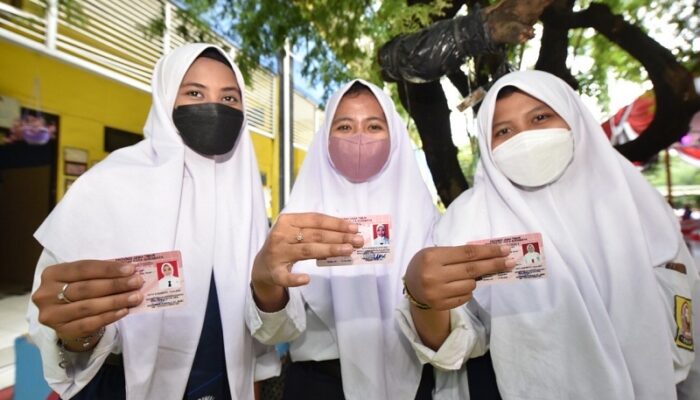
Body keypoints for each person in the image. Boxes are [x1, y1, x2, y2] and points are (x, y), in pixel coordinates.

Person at [402, 70, 699, 399]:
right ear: (487, 145)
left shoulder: (639, 206)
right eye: (503, 130)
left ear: (574, 119)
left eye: (540, 117)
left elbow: (688, 316)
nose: (524, 138)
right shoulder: (465, 224)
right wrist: (421, 298)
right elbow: (453, 344)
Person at [27, 43, 284, 399]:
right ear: (165, 99)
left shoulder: (244, 196)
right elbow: (59, 325)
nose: (213, 107)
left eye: (229, 99)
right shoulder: (106, 185)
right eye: (194, 92)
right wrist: (77, 329)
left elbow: (256, 339)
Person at [246, 80, 512, 400]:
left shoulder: (431, 226)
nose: (359, 137)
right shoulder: (297, 225)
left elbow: (454, 344)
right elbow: (275, 333)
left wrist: (422, 297)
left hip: (416, 383)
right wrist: (264, 280)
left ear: (396, 137)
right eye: (344, 126)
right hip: (319, 387)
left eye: (374, 125)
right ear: (325, 139)